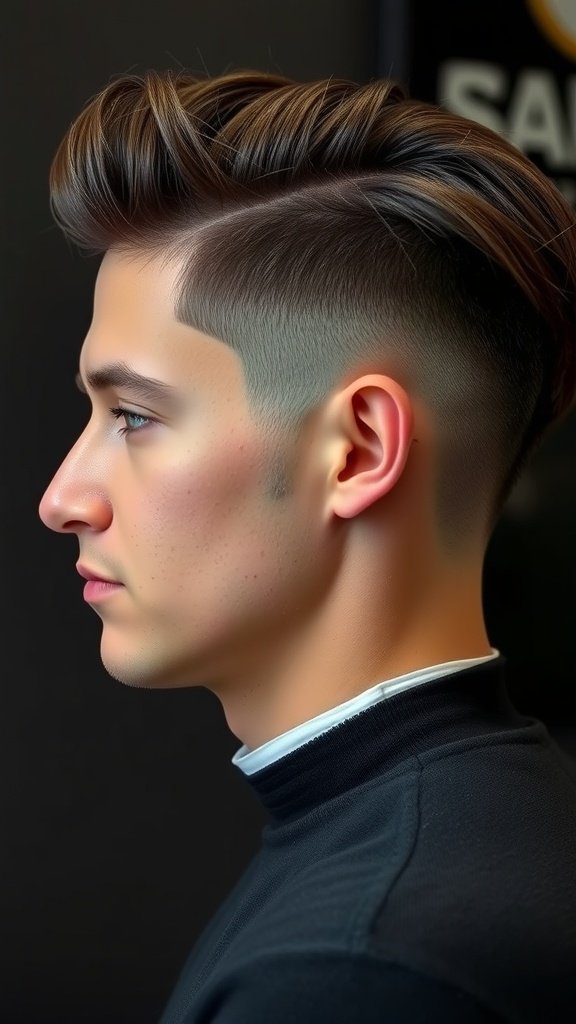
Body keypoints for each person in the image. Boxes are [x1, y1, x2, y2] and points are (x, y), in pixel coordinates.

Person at [38, 68, 576, 1023]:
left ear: (357, 451)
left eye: (133, 416)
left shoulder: (357, 970)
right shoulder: (503, 835)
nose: (63, 500)